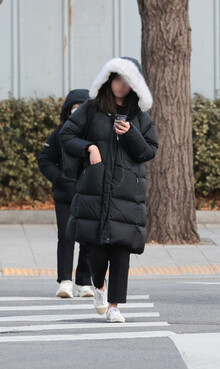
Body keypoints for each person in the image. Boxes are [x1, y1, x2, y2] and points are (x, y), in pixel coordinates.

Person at [59, 57, 158, 322]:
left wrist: (132, 133)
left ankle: (114, 306)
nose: (121, 85)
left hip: (127, 192)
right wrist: (89, 148)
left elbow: (149, 151)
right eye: (116, 79)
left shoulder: (139, 115)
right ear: (108, 80)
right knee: (94, 250)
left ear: (134, 85)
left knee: (121, 250)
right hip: (95, 190)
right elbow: (66, 135)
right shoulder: (91, 109)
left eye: (127, 81)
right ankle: (99, 285)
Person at [38, 89, 93, 299]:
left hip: (90, 194)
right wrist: (59, 178)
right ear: (67, 111)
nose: (77, 112)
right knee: (66, 237)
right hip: (65, 195)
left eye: (82, 108)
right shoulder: (59, 134)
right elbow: (45, 160)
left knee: (88, 238)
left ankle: (84, 282)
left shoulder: (95, 136)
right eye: (73, 108)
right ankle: (65, 281)